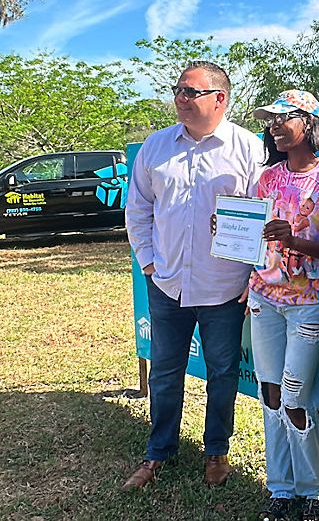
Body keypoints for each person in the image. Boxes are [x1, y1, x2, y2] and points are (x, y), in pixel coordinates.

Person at [123, 61, 267, 490]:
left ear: (219, 99)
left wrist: (252, 274)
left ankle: (216, 452)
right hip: (167, 283)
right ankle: (158, 452)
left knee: (223, 373)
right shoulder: (156, 146)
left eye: (191, 92)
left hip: (224, 286)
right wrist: (149, 262)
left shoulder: (248, 149)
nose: (180, 99)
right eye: (178, 91)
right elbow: (139, 208)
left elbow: (264, 216)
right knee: (166, 370)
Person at [247, 90, 319, 521]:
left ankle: (316, 490)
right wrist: (229, 228)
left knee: (294, 398)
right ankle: (281, 487)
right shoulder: (267, 177)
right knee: (269, 393)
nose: (273, 126)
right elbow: (254, 232)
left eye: (282, 117)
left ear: (309, 123)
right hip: (262, 297)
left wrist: (296, 241)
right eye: (269, 120)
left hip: (309, 303)